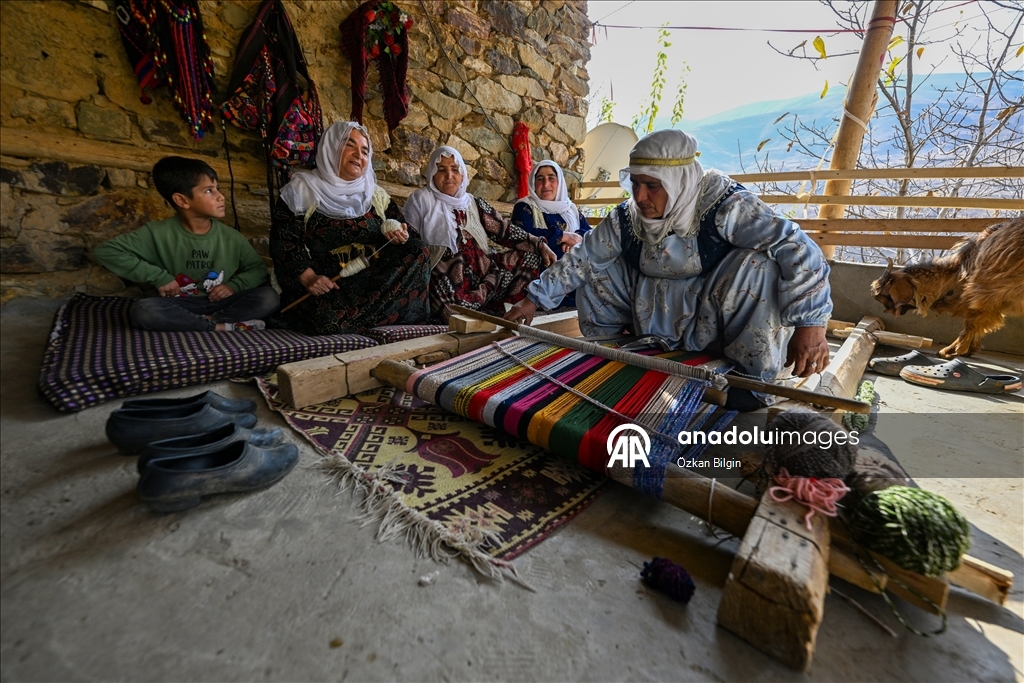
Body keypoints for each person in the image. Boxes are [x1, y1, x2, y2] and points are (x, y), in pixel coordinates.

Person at [505, 129, 832, 410]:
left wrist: (811, 323)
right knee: (596, 263)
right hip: (654, 322)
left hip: (715, 322)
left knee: (758, 265)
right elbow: (583, 258)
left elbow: (797, 246)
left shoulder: (726, 205)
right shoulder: (627, 217)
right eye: (635, 183)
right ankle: (616, 352)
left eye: (652, 185)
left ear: (678, 181)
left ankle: (748, 383)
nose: (641, 196)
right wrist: (533, 300)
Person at [270, 121, 431, 335]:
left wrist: (398, 234)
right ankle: (384, 318)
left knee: (418, 250)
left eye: (365, 151)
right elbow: (285, 243)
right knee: (326, 317)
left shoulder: (376, 195)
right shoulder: (300, 191)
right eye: (350, 145)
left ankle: (354, 321)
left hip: (373, 285)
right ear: (332, 147)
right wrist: (309, 278)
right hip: (329, 286)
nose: (359, 155)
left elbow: (403, 231)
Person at [93, 156, 278, 332]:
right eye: (209, 191)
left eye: (218, 188)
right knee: (143, 309)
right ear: (182, 200)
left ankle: (207, 321)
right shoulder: (156, 233)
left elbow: (257, 269)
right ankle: (219, 327)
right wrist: (159, 277)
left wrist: (233, 286)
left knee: (269, 298)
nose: (220, 197)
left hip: (221, 303)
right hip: (180, 303)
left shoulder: (232, 237)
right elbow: (107, 251)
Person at [402, 146, 557, 322]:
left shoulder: (474, 203)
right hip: (447, 280)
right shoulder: (421, 199)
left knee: (530, 255)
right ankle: (475, 312)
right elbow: (410, 242)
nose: (449, 176)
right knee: (452, 313)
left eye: (455, 169)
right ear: (432, 173)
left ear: (463, 174)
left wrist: (540, 244)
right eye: (441, 170)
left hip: (485, 276)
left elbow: (505, 231)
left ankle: (500, 309)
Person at [510, 160, 591, 307]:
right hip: (541, 270)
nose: (546, 184)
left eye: (551, 178)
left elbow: (589, 232)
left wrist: (576, 238)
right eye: (540, 179)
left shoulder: (570, 208)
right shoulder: (525, 207)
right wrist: (563, 236)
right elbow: (522, 234)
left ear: (559, 181)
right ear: (534, 183)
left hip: (575, 270)